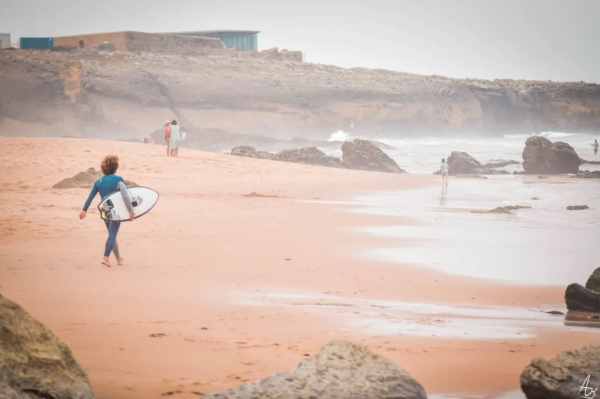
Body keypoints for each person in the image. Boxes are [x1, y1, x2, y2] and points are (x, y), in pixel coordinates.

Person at [79, 155, 134, 267]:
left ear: (103, 168)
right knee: (112, 234)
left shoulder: (98, 182)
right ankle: (105, 257)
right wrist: (130, 210)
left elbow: (90, 196)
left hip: (105, 210)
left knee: (111, 234)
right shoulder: (119, 180)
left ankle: (118, 258)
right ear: (115, 167)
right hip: (115, 210)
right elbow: (125, 195)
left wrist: (84, 209)